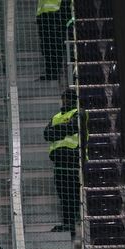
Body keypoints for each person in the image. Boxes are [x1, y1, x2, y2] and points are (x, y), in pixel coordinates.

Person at [44, 89, 87, 234]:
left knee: (73, 194)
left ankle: (75, 223)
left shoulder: (79, 112)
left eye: (69, 98)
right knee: (63, 194)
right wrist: (64, 129)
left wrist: (57, 130)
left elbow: (74, 126)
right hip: (59, 162)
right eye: (64, 98)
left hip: (74, 161)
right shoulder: (57, 116)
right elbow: (46, 134)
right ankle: (68, 223)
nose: (66, 100)